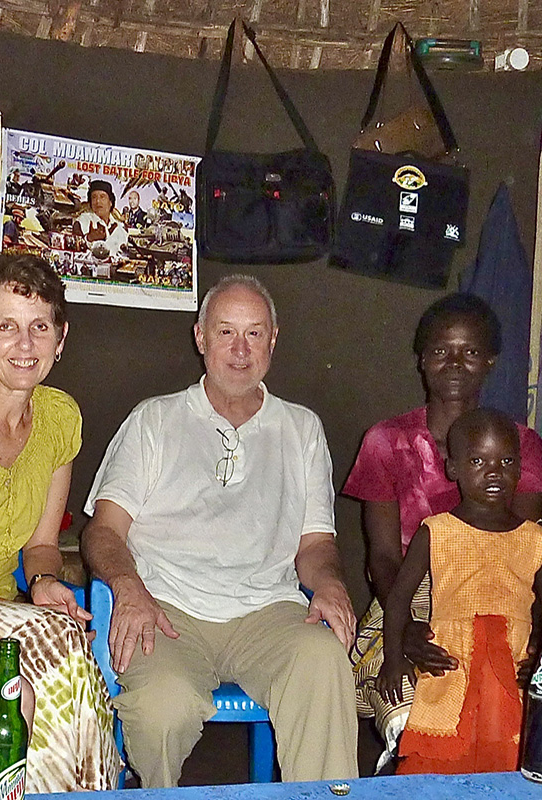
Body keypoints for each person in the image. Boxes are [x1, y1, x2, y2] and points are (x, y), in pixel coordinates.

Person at [81, 274, 359, 788]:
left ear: (273, 341)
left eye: (254, 334)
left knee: (324, 662)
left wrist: (330, 584)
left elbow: (315, 544)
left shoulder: (301, 429)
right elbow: (104, 531)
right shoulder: (154, 420)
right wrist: (129, 588)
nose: (239, 349)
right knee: (162, 704)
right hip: (167, 607)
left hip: (267, 611)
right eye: (226, 331)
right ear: (201, 338)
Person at [0, 253, 120, 792]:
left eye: (39, 326)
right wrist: (14, 613)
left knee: (62, 665)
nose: (25, 344)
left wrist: (43, 584)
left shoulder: (60, 418)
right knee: (57, 644)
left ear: (60, 338)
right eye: (7, 326)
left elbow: (43, 545)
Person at [342, 292, 542, 770]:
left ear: (491, 361)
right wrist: (406, 629)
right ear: (421, 359)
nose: (455, 363)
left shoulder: (522, 447)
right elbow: (384, 559)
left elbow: (524, 552)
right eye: (440, 351)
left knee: (510, 713)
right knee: (416, 713)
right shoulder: (386, 442)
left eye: (471, 352)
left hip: (500, 597)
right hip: (408, 595)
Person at [376, 408, 542, 773]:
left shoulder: (534, 538)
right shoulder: (437, 530)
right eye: (478, 460)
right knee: (439, 762)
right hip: (451, 664)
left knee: (507, 760)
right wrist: (393, 658)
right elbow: (399, 600)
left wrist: (537, 650)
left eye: (506, 460)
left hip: (512, 666)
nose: (494, 471)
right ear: (453, 469)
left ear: (520, 469)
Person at [72, 179, 128, 258]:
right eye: (94, 197)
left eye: (102, 197)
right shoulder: (82, 221)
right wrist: (89, 238)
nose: (98, 201)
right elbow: (73, 251)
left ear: (110, 202)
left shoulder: (120, 228)